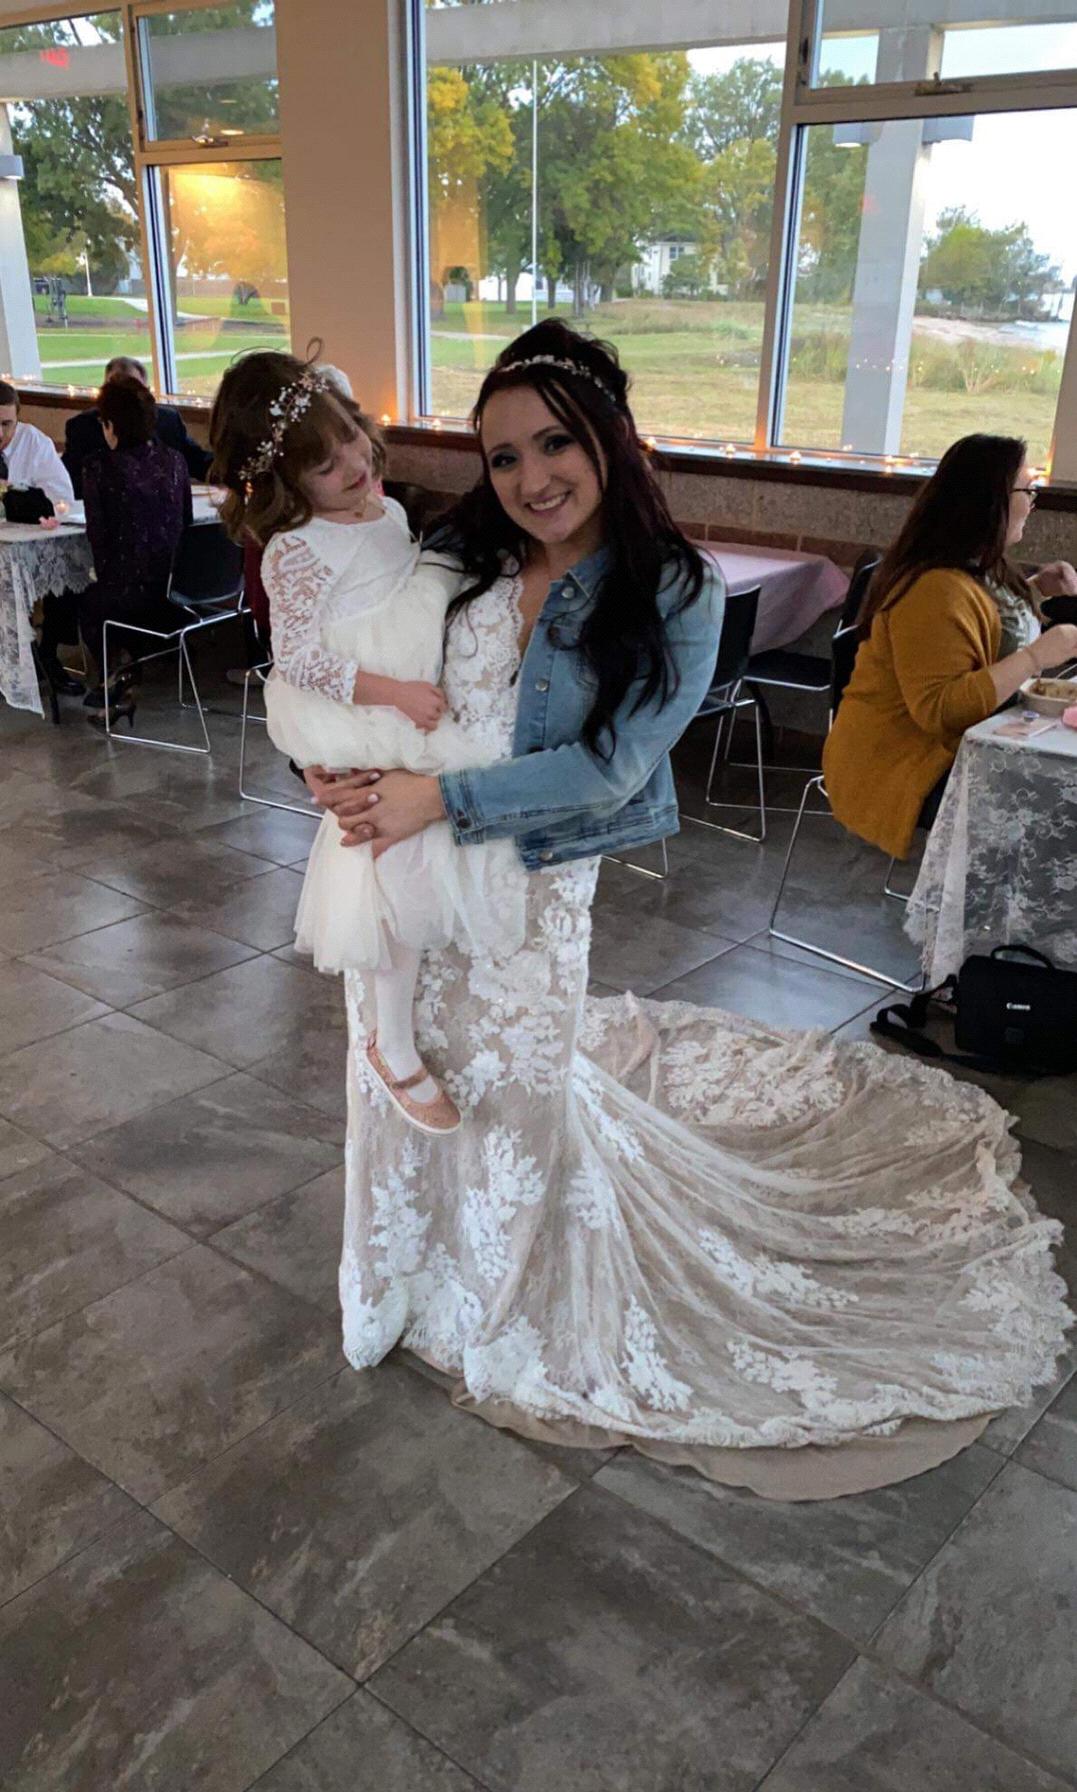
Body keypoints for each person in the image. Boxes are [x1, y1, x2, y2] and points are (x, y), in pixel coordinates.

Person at [305, 325, 1071, 1502]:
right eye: (503, 456)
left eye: (556, 443)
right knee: (396, 1065)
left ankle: (499, 1292)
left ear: (611, 438)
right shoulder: (455, 547)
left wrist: (434, 800)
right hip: (396, 863)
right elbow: (348, 655)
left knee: (508, 1090)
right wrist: (329, 756)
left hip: (521, 881)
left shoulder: (677, 588)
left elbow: (609, 769)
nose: (530, 478)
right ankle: (400, 1273)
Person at [209, 352, 527, 1134]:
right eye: (325, 464)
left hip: (401, 702)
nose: (354, 463)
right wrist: (395, 693)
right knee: (386, 867)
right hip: (357, 709)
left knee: (424, 852)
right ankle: (391, 1040)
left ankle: (442, 1012)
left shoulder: (382, 512)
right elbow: (299, 658)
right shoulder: (295, 550)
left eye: (352, 437)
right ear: (288, 482)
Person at [822, 434, 1077, 861]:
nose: (1033, 503)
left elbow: (979, 630)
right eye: (1027, 490)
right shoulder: (934, 589)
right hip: (905, 764)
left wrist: (1034, 590)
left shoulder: (976, 567)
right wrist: (1036, 657)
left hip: (955, 746)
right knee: (1054, 812)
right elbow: (940, 711)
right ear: (989, 500)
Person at [39, 373, 191, 714]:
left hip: (127, 592)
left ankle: (116, 673)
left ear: (109, 426)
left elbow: (100, 538)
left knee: (84, 595)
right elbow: (187, 522)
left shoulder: (99, 467)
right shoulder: (174, 461)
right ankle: (127, 668)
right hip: (177, 587)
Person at [62, 356, 211, 499]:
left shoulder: (167, 421)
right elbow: (68, 480)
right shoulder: (83, 427)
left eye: (133, 392)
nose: (126, 401)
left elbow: (197, 461)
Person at [0, 381, 74, 508]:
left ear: (17, 420)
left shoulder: (36, 444)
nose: (0, 434)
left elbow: (62, 501)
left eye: (6, 424)